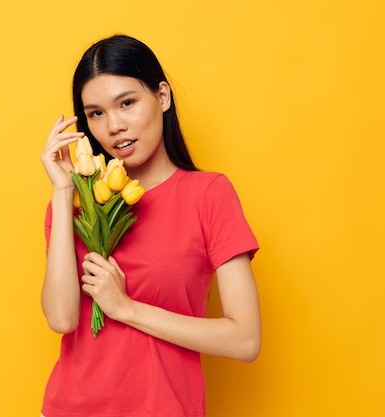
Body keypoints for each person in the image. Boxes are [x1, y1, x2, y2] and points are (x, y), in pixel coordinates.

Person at [39, 34, 261, 417]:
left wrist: (125, 308)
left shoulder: (208, 195)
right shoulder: (74, 206)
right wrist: (64, 190)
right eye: (96, 113)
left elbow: (245, 339)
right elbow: (61, 319)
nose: (114, 126)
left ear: (162, 97)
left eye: (127, 103)